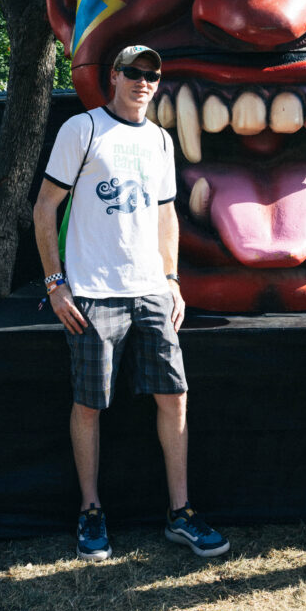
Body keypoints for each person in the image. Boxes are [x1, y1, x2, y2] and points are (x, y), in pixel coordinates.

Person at [33, 44, 229, 562]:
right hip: (93, 293)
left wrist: (173, 280)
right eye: (135, 72)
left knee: (174, 396)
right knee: (90, 403)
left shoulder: (162, 141)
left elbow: (167, 214)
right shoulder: (83, 129)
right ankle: (91, 512)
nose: (144, 81)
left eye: (152, 75)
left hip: (150, 290)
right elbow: (45, 206)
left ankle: (180, 514)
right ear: (114, 77)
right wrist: (55, 284)